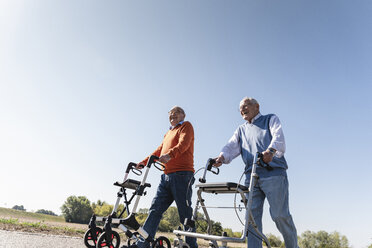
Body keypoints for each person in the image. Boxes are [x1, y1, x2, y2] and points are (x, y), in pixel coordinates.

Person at [213, 97, 299, 248]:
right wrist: (221, 157)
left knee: (280, 215)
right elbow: (231, 146)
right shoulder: (241, 130)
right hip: (251, 177)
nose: (242, 110)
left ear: (257, 106)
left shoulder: (270, 119)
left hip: (273, 174)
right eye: (240, 108)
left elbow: (278, 137)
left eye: (245, 106)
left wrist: (270, 151)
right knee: (251, 220)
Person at [136, 106, 198, 248]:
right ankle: (142, 245)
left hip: (182, 175)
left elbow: (184, 144)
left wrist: (170, 154)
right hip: (166, 177)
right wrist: (144, 162)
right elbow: (158, 151)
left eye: (176, 114)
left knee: (185, 215)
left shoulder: (186, 126)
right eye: (170, 115)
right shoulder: (168, 132)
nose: (172, 116)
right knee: (155, 209)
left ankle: (191, 245)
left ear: (183, 115)